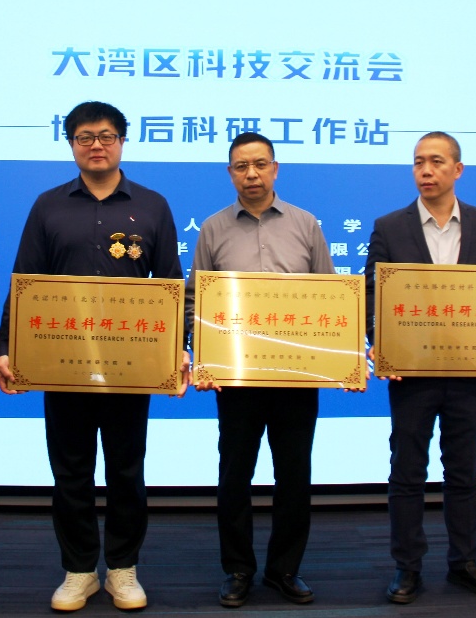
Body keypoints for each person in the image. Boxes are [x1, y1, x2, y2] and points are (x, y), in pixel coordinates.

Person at [0, 101, 182, 612]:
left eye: (105, 135)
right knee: (71, 470)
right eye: (84, 137)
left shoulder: (152, 206)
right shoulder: (48, 206)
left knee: (126, 470)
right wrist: (7, 346)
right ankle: (78, 570)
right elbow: (25, 281)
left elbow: (171, 287)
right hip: (64, 363)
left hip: (130, 365)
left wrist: (177, 351)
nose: (95, 145)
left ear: (122, 141)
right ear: (71, 144)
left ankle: (122, 568)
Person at [187, 132, 335, 608]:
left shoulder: (306, 224)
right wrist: (201, 355)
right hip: (236, 379)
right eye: (241, 166)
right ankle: (238, 569)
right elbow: (195, 302)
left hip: (296, 376)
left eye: (260, 164)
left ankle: (284, 569)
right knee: (235, 475)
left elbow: (332, 296)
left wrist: (340, 363)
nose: (251, 174)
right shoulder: (213, 228)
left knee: (294, 475)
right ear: (230, 173)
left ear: (275, 169)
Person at [363, 131, 476, 603]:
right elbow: (371, 294)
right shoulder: (390, 226)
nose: (426, 170)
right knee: (407, 471)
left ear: (457, 170)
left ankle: (465, 562)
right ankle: (407, 567)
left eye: (437, 161)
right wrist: (381, 343)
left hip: (468, 371)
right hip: (411, 371)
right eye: (419, 162)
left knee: (464, 472)